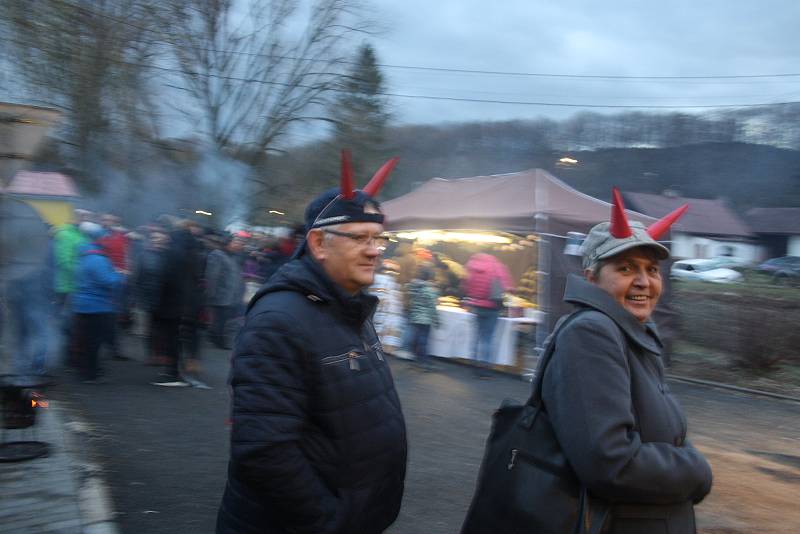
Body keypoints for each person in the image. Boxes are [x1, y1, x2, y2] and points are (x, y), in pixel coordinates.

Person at [216, 152, 407, 534]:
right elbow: (264, 450)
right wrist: (331, 520)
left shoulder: (349, 306)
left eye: (378, 239)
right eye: (359, 238)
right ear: (319, 243)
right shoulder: (278, 321)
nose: (374, 250)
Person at [540, 188, 712, 533]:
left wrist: (681, 454)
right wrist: (697, 470)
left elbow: (663, 436)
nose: (644, 282)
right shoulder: (591, 333)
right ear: (592, 277)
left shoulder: (629, 333)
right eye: (626, 268)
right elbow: (611, 462)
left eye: (652, 269)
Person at [71, 222, 123, 383]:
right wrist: (121, 276)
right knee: (93, 342)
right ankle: (90, 375)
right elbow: (108, 281)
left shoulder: (82, 257)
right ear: (98, 240)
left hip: (81, 305)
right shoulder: (97, 260)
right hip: (97, 306)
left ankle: (84, 371)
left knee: (85, 340)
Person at [463, 252, 512, 377]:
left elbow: (465, 284)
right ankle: (484, 369)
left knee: (477, 336)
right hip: (492, 307)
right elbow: (506, 286)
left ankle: (473, 364)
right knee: (487, 338)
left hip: (476, 305)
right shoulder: (497, 266)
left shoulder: (471, 266)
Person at [405, 266, 440, 370]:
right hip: (425, 319)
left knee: (417, 337)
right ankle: (423, 361)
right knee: (423, 340)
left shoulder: (413, 286)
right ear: (429, 276)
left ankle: (417, 359)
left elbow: (409, 295)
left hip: (415, 316)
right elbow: (433, 307)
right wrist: (436, 320)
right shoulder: (430, 290)